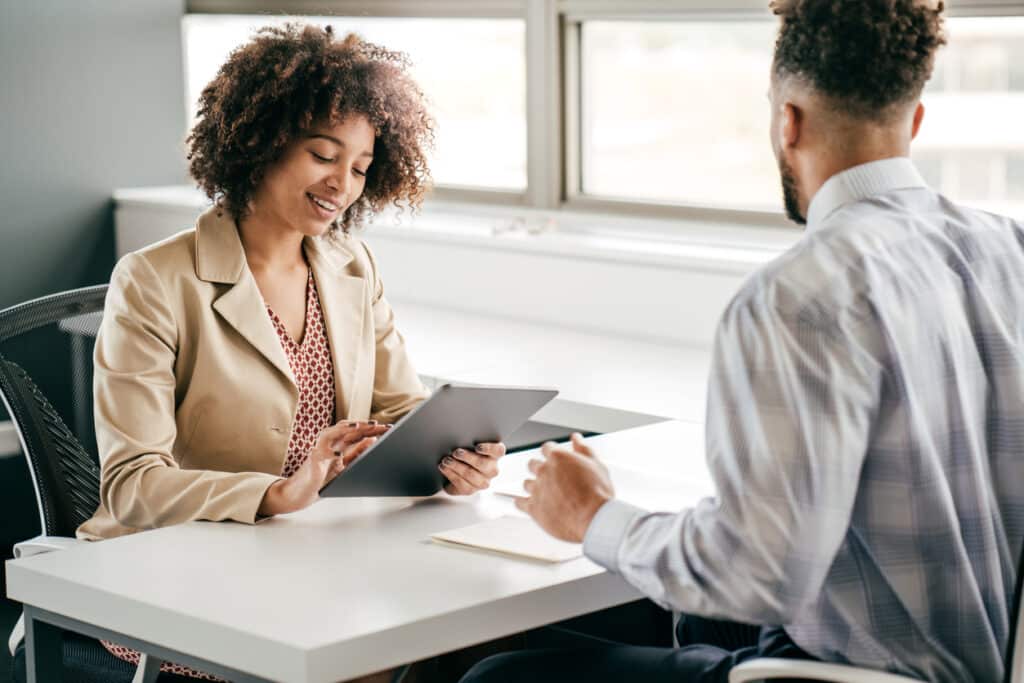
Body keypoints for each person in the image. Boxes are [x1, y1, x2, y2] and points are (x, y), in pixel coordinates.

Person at [462, 1, 1024, 682]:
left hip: (850, 672)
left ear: (787, 121)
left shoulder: (796, 295)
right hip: (984, 656)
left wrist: (593, 515)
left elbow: (760, 576)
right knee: (637, 618)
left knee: (495, 676)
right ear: (916, 120)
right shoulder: (1007, 251)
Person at [19, 24, 505, 682]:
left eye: (361, 167)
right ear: (263, 141)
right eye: (323, 155)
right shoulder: (154, 279)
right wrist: (282, 491)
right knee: (373, 658)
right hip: (183, 576)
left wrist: (453, 457)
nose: (343, 183)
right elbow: (132, 485)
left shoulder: (352, 266)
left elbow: (400, 408)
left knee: (454, 631)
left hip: (311, 560)